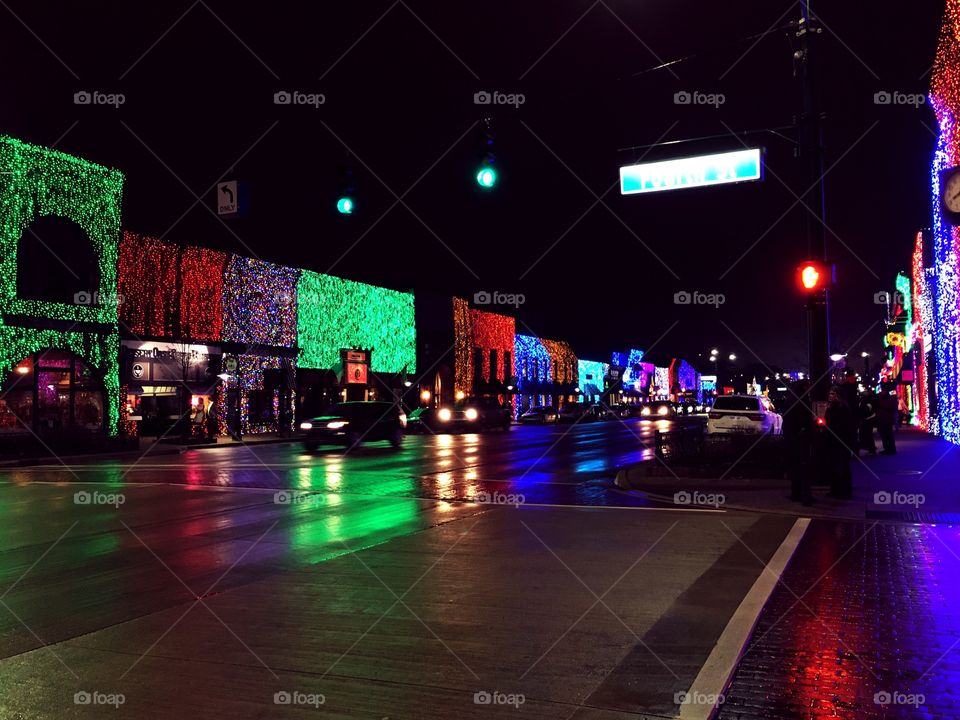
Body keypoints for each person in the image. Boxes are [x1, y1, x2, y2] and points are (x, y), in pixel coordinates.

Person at [782, 380, 815, 505]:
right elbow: (804, 419)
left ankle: (795, 493)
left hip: (792, 438)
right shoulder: (802, 399)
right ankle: (805, 496)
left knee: (795, 467)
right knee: (804, 467)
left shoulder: (790, 399)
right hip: (801, 439)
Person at [824, 386, 856, 499]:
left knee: (842, 466)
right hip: (833, 441)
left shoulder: (842, 407)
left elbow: (844, 425)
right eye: (830, 394)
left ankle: (844, 491)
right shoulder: (831, 407)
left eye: (833, 394)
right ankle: (835, 489)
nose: (830, 396)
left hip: (841, 441)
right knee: (833, 466)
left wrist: (830, 428)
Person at [876, 383, 898, 455]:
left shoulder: (886, 399)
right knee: (887, 435)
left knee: (887, 435)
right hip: (886, 419)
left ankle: (889, 449)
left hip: (885, 419)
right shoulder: (888, 398)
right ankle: (889, 448)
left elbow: (888, 407)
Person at [857, 388, 877, 456]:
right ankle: (870, 448)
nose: (864, 392)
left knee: (868, 435)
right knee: (867, 434)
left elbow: (869, 410)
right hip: (866, 419)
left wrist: (865, 417)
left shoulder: (868, 400)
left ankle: (872, 450)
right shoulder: (864, 400)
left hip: (867, 419)